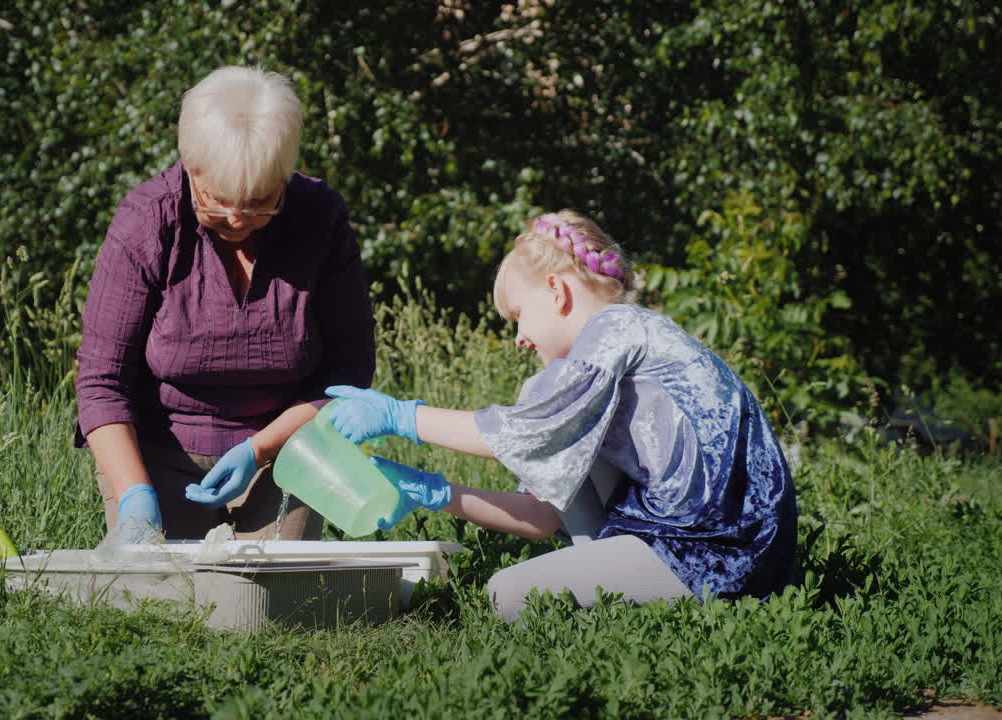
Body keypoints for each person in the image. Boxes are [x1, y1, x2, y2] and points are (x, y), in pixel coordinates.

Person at [326, 210, 797, 622]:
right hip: (729, 543)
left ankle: (620, 614)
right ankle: (616, 592)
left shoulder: (614, 329)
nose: (519, 338)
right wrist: (431, 491)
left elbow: (526, 435)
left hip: (720, 553)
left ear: (555, 290)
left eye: (518, 315)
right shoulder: (618, 350)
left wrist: (401, 415)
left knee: (505, 595)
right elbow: (541, 517)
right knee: (539, 400)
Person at [75, 66, 375, 546]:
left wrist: (260, 448)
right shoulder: (146, 222)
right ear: (190, 167)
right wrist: (134, 494)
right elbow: (101, 383)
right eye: (217, 200)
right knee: (165, 585)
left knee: (271, 586)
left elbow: (348, 373)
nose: (237, 218)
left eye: (259, 201)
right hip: (159, 453)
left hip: (287, 452)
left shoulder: (320, 218)